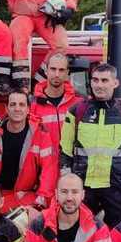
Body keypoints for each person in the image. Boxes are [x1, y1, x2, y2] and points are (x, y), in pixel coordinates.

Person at [60, 63, 121, 227]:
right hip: (84, 187)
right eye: (95, 80)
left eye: (104, 80)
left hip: (118, 188)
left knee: (120, 233)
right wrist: (67, 184)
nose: (99, 85)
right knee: (81, 233)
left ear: (115, 83)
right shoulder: (76, 111)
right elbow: (65, 151)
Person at [28, 52, 80, 203]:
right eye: (53, 69)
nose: (57, 74)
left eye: (61, 70)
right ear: (46, 71)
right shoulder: (32, 104)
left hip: (71, 176)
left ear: (67, 73)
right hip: (41, 179)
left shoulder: (79, 104)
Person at [0, 90, 53, 212]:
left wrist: (41, 201)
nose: (17, 109)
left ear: (28, 109)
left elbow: (49, 169)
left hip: (26, 196)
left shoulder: (40, 134)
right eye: (13, 104)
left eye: (21, 105)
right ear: (6, 108)